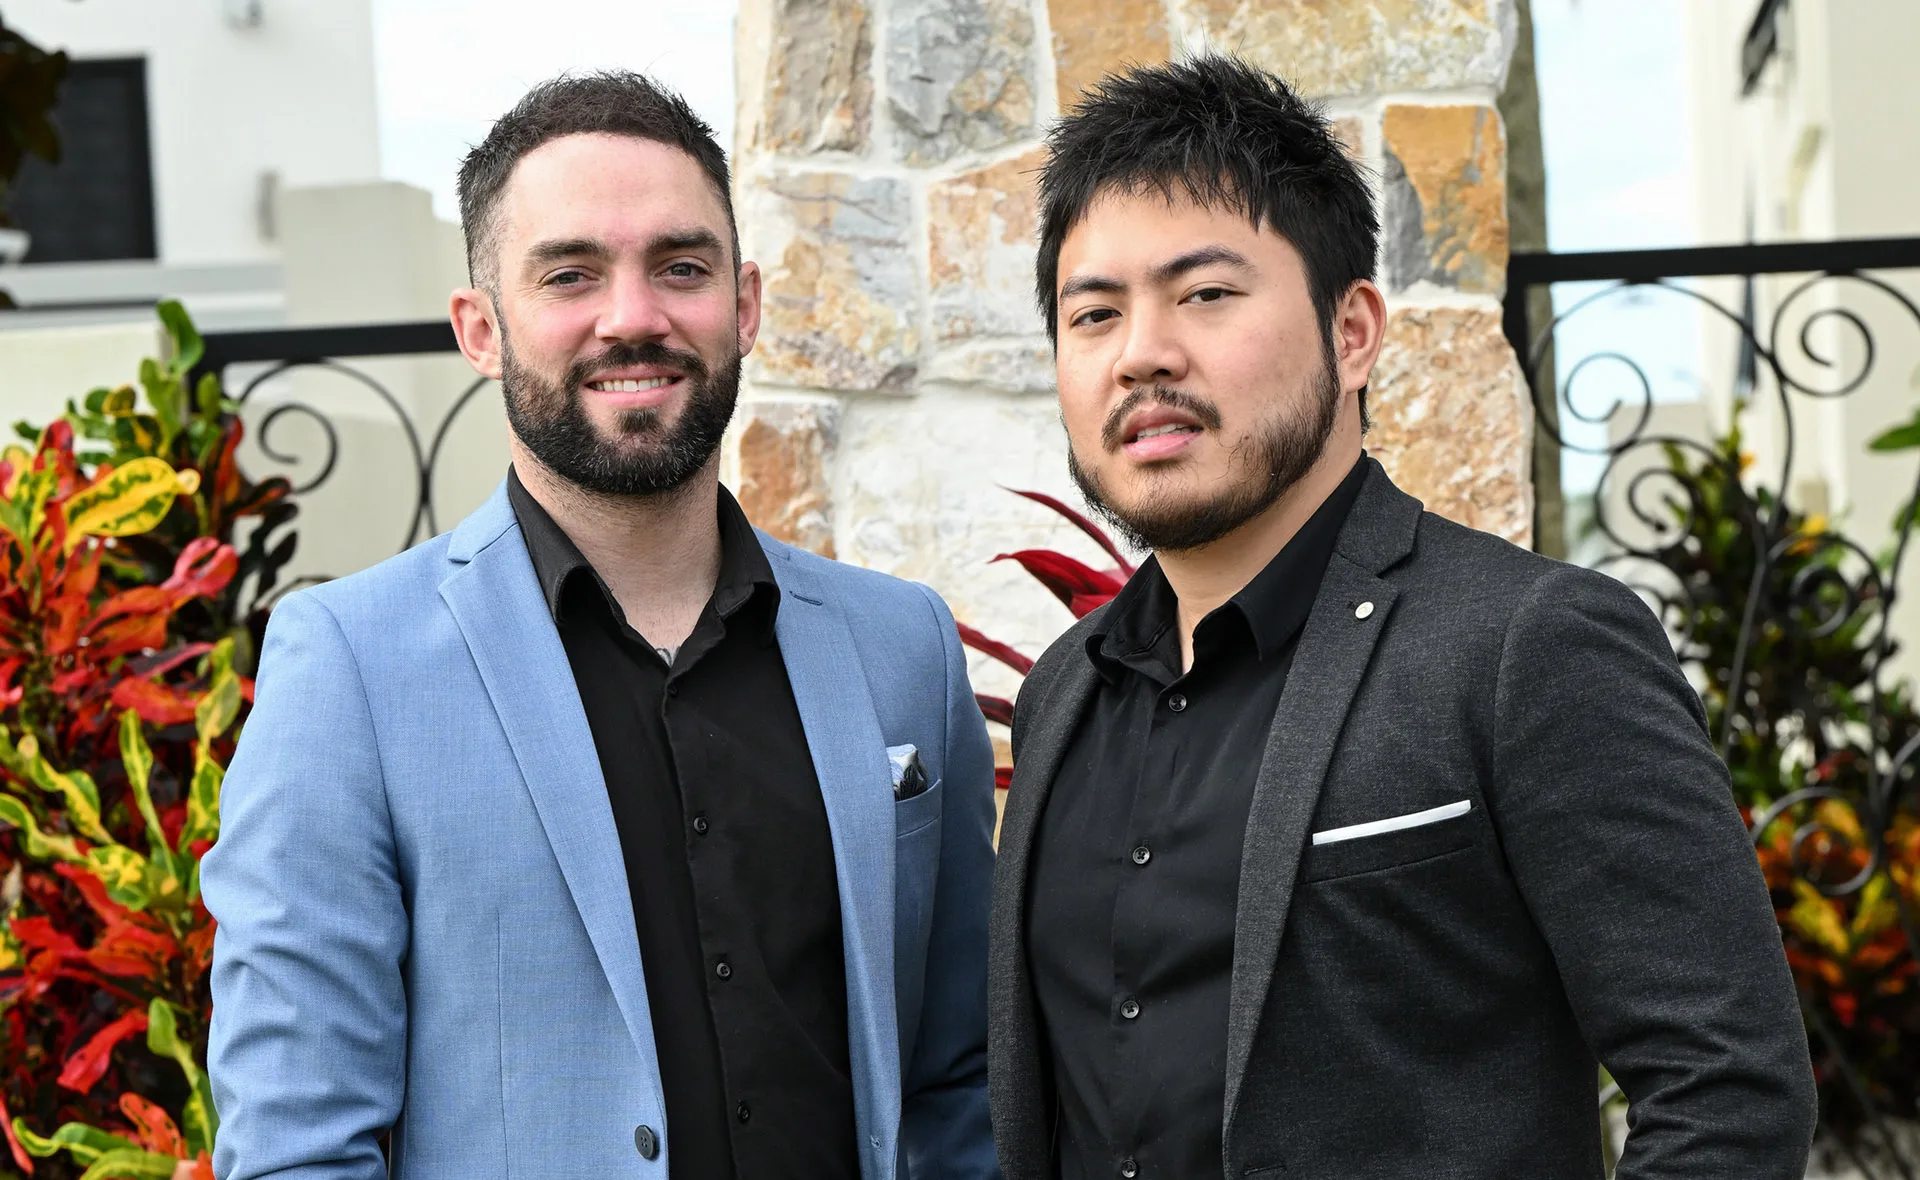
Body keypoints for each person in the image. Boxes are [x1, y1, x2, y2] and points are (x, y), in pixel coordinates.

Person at [987, 55, 1817, 1180]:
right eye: (1095, 313)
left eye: (1206, 293)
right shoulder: (1060, 698)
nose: (1142, 352)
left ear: (1355, 329)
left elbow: (1728, 1090)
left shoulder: (1530, 644)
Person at [203, 71, 998, 1180]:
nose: (634, 316)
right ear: (481, 329)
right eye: (571, 274)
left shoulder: (903, 646)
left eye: (681, 267)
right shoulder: (350, 669)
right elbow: (295, 1144)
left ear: (746, 304)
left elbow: (957, 1080)